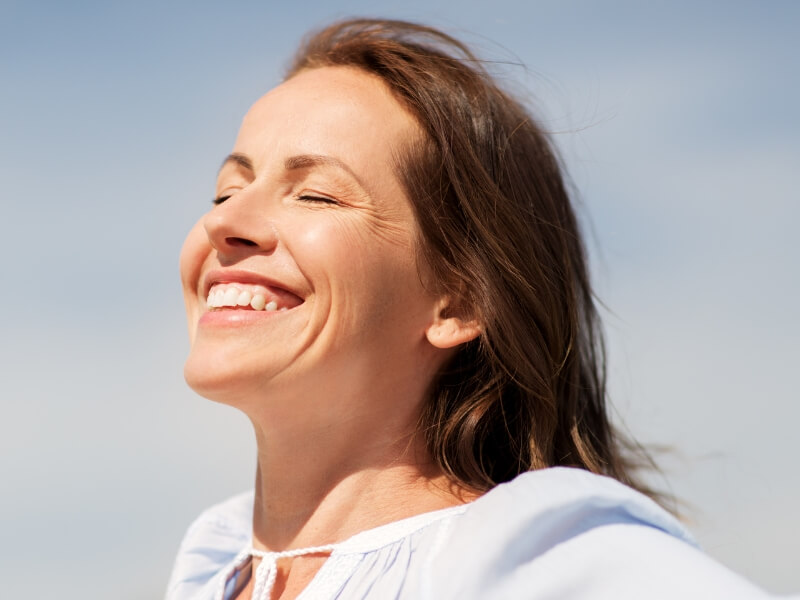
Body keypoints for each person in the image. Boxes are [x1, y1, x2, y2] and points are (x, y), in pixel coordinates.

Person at [166, 18, 791, 600]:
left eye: (318, 196)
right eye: (228, 188)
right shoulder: (208, 569)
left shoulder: (532, 559)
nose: (225, 220)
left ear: (459, 299)